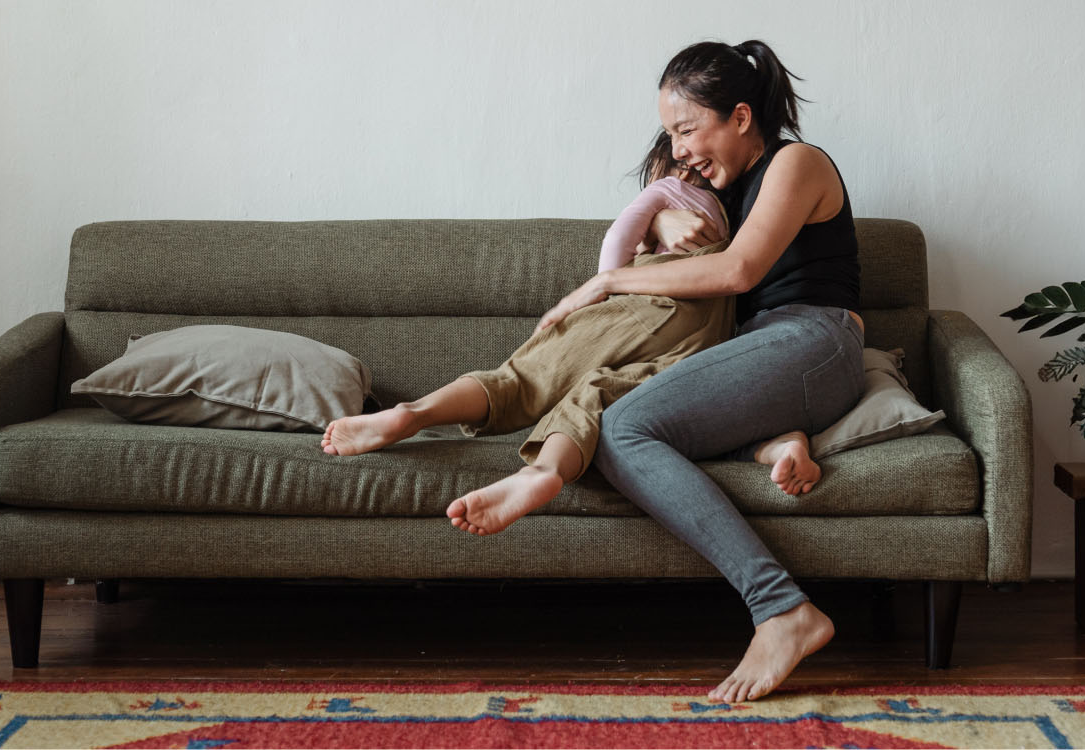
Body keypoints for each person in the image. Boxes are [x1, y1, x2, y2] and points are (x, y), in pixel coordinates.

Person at [534, 40, 867, 705]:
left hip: (813, 338)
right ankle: (773, 438)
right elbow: (665, 218)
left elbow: (738, 271)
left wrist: (605, 284)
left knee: (624, 428)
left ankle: (782, 610)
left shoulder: (795, 163)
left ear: (740, 117)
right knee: (623, 415)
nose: (679, 147)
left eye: (687, 129)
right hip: (752, 352)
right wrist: (660, 215)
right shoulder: (715, 187)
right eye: (670, 134)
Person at [317, 131, 826, 538]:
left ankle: (414, 414)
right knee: (601, 395)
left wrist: (609, 283)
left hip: (652, 305)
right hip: (707, 336)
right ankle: (544, 473)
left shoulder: (666, 190)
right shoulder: (737, 209)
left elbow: (618, 238)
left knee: (521, 380)